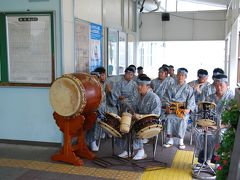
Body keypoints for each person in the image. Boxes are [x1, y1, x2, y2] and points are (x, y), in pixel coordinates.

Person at [117, 74, 161, 160]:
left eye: (141, 85)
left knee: (135, 127)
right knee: (124, 125)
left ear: (148, 86)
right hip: (139, 119)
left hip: (151, 122)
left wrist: (140, 116)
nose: (139, 87)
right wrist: (129, 110)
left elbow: (155, 115)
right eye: (138, 85)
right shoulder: (139, 96)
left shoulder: (154, 98)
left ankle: (141, 151)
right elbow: (134, 107)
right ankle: (128, 149)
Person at [193, 74, 234, 164]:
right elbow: (204, 113)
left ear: (227, 85)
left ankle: (215, 160)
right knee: (198, 133)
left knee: (219, 135)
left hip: (225, 126)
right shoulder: (210, 97)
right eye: (216, 85)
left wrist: (219, 126)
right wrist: (205, 124)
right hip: (209, 124)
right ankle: (203, 160)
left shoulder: (232, 98)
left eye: (221, 85)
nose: (218, 88)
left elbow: (232, 117)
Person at [162, 68, 196, 149]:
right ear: (176, 75)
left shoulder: (189, 88)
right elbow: (165, 98)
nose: (180, 77)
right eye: (179, 75)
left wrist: (187, 109)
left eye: (182, 75)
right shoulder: (171, 87)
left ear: (185, 77)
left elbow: (191, 101)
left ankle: (181, 140)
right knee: (168, 118)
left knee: (182, 119)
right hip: (172, 108)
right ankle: (170, 139)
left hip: (182, 110)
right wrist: (167, 107)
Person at [86, 67, 110, 151]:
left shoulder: (103, 84)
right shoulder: (92, 86)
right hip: (94, 109)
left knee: (101, 119)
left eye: (104, 75)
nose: (104, 77)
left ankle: (96, 139)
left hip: (102, 108)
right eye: (102, 75)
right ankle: (92, 141)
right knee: (94, 122)